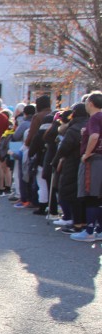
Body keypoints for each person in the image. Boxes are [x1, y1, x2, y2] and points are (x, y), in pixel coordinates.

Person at [71, 91, 102, 241]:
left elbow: (95, 136)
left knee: (91, 195)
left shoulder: (95, 117)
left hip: (94, 160)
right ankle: (99, 230)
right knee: (99, 196)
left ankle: (89, 231)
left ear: (90, 103)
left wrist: (86, 153)